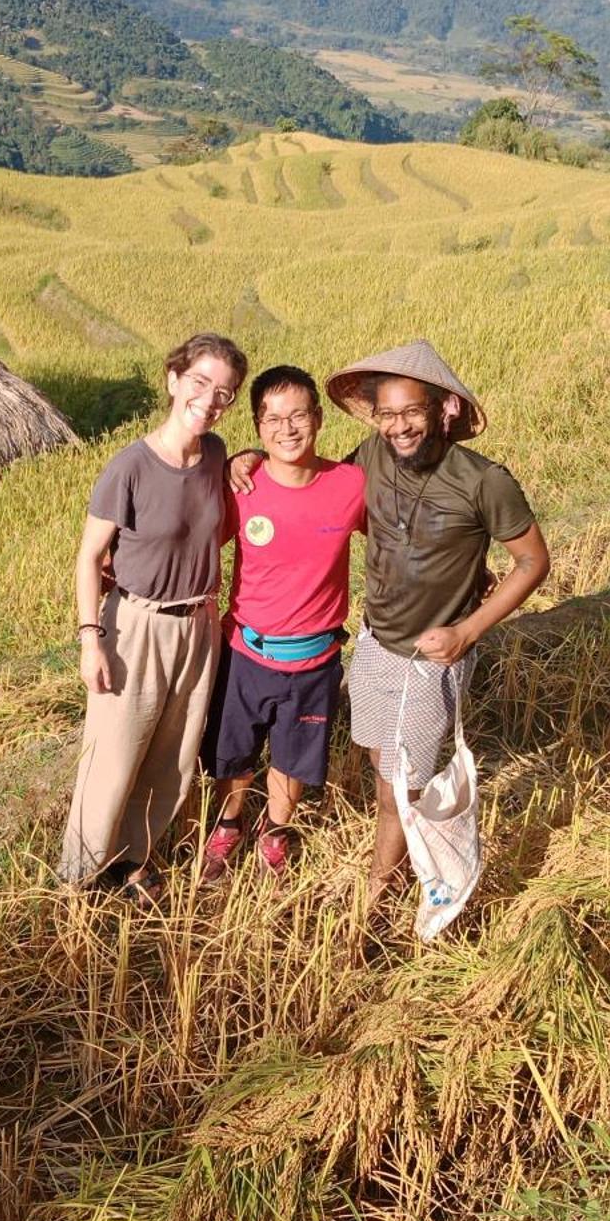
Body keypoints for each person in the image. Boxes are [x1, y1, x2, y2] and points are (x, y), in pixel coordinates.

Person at [230, 339, 549, 904]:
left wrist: (468, 630)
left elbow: (533, 561)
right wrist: (247, 459)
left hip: (432, 656)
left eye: (412, 412)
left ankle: (381, 889)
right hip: (376, 642)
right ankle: (403, 852)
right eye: (387, 413)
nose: (399, 426)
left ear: (442, 409)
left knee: (396, 785)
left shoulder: (483, 480)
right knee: (382, 759)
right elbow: (315, 486)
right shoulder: (372, 456)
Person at [59, 332, 248, 903]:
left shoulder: (216, 455)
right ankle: (80, 875)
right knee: (113, 759)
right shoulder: (131, 468)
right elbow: (90, 557)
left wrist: (248, 458)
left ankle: (133, 859)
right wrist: (91, 640)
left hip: (198, 626)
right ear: (173, 380)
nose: (210, 399)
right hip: (134, 627)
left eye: (225, 392)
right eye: (200, 383)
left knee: (173, 756)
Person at [199, 364, 367, 880]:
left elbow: (400, 535)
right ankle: (229, 822)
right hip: (247, 652)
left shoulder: (351, 484)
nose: (287, 428)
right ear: (257, 427)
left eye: (298, 415)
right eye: (272, 419)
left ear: (318, 418)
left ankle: (274, 828)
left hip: (316, 659)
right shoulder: (242, 488)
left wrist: (472, 570)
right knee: (234, 752)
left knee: (293, 758)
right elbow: (193, 546)